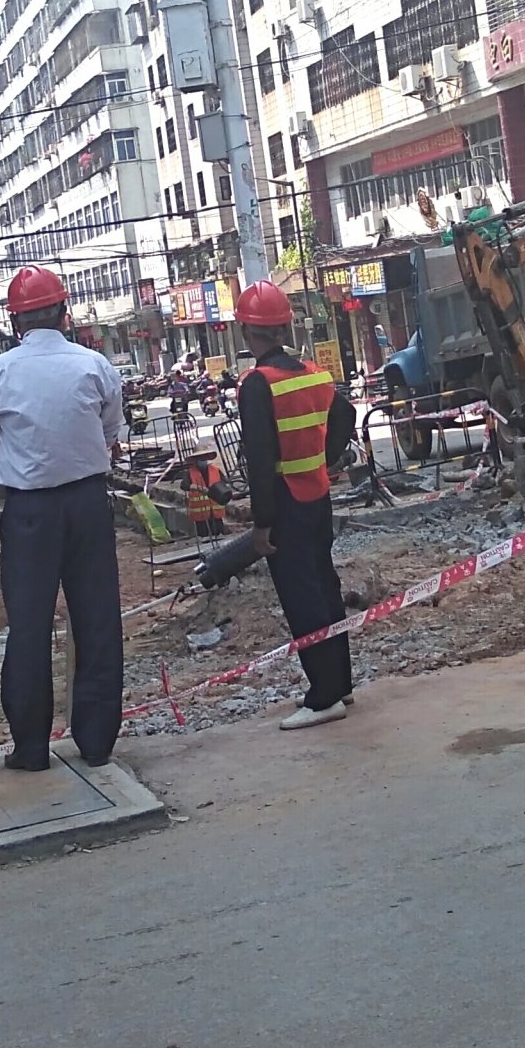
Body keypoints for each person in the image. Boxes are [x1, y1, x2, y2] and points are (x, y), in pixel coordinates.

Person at [0, 266, 127, 769]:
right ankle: (97, 742)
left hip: (28, 511)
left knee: (29, 627)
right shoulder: (94, 365)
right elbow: (109, 429)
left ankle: (31, 747)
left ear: (14, 321)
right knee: (97, 619)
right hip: (88, 504)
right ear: (64, 313)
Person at [235, 281, 359, 729]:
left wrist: (262, 524)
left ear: (246, 331)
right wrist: (324, 459)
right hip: (318, 497)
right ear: (284, 327)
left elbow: (260, 459)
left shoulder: (258, 384)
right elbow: (346, 415)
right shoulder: (314, 374)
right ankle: (340, 683)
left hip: (285, 504)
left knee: (302, 597)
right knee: (324, 587)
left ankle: (323, 696)